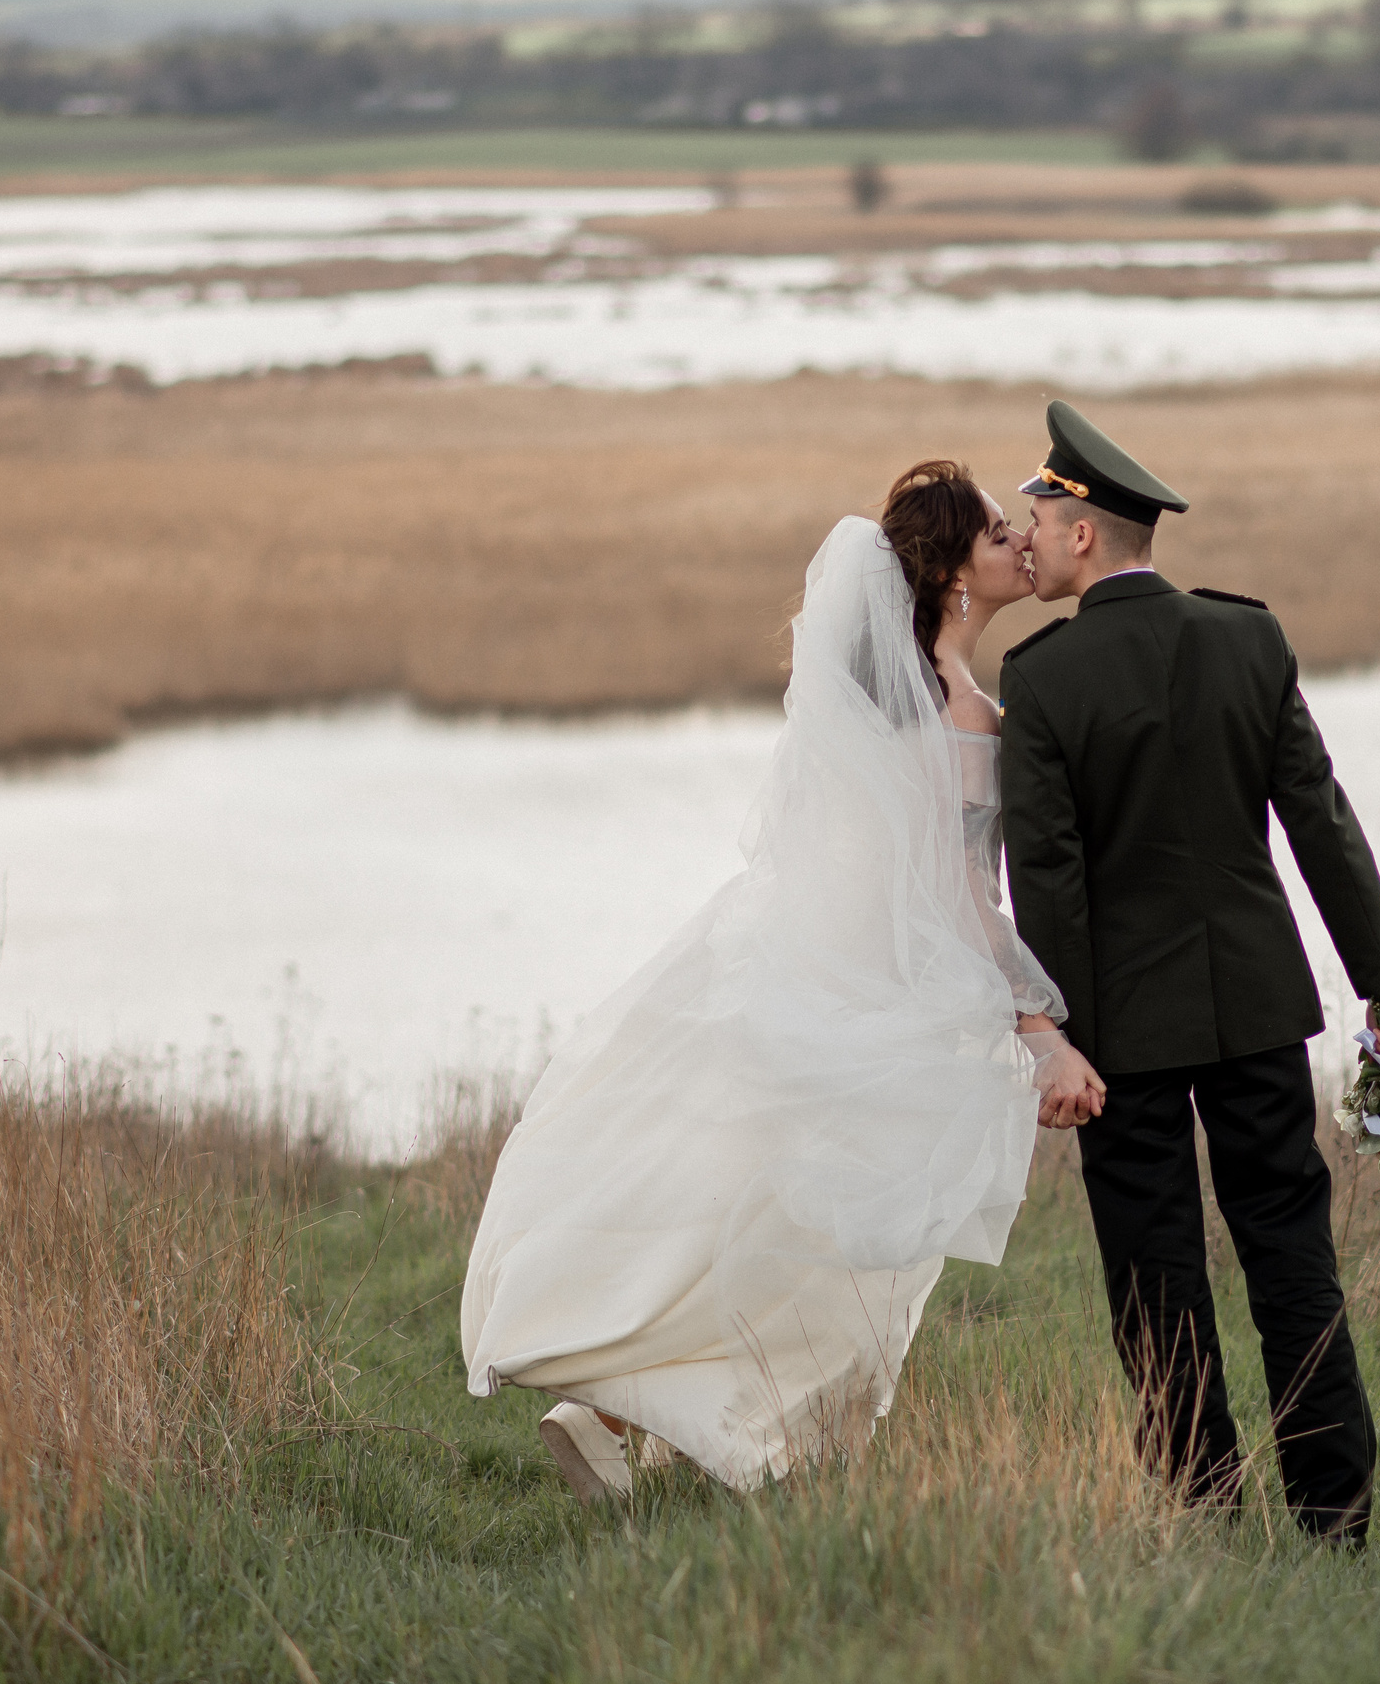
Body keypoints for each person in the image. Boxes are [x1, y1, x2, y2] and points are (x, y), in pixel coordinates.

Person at [460, 460, 1102, 1501]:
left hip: (829, 975)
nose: (1018, 543)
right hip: (896, 1000)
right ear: (949, 578)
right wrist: (1039, 1024)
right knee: (857, 1243)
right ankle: (694, 1422)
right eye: (997, 533)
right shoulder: (958, 718)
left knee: (785, 1217)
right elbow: (962, 897)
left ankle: (618, 1410)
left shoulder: (894, 701)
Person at [1001, 400, 1380, 1545]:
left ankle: (1206, 1514)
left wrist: (1055, 1035)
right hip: (1257, 1009)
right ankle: (1335, 1519)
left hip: (1120, 1035)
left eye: (1038, 510)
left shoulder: (1039, 680)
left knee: (1155, 1280)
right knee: (1292, 1256)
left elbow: (1047, 878)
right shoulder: (1252, 638)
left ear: (1084, 529)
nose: (1025, 531)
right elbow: (1321, 825)